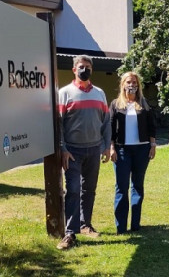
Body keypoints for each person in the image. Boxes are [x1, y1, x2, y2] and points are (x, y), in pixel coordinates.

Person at [57, 55, 111, 250]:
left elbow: (106, 121)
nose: (84, 70)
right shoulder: (64, 93)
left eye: (88, 67)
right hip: (72, 151)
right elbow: (59, 125)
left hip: (94, 149)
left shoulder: (99, 93)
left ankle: (85, 224)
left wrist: (106, 146)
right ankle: (70, 233)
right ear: (74, 70)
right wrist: (62, 149)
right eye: (81, 67)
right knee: (72, 190)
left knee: (89, 189)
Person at [109, 72, 157, 234]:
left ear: (138, 85)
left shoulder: (144, 104)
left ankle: (135, 225)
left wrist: (152, 145)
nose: (132, 85)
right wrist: (111, 147)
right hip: (122, 150)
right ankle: (121, 227)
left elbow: (152, 126)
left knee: (137, 186)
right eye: (128, 82)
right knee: (121, 188)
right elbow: (110, 128)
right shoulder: (115, 104)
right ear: (123, 84)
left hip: (142, 150)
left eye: (134, 82)